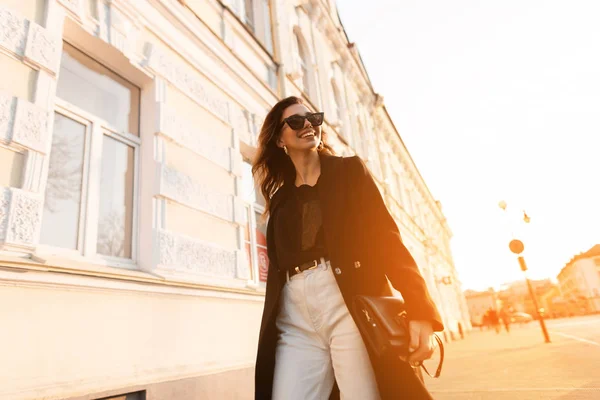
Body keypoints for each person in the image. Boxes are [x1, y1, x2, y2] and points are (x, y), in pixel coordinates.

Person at [253, 96, 444, 400]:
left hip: (346, 300)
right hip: (295, 315)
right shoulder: (280, 199)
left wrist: (420, 309)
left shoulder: (348, 171)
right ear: (279, 138)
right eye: (296, 121)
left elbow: (386, 239)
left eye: (313, 118)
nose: (308, 125)